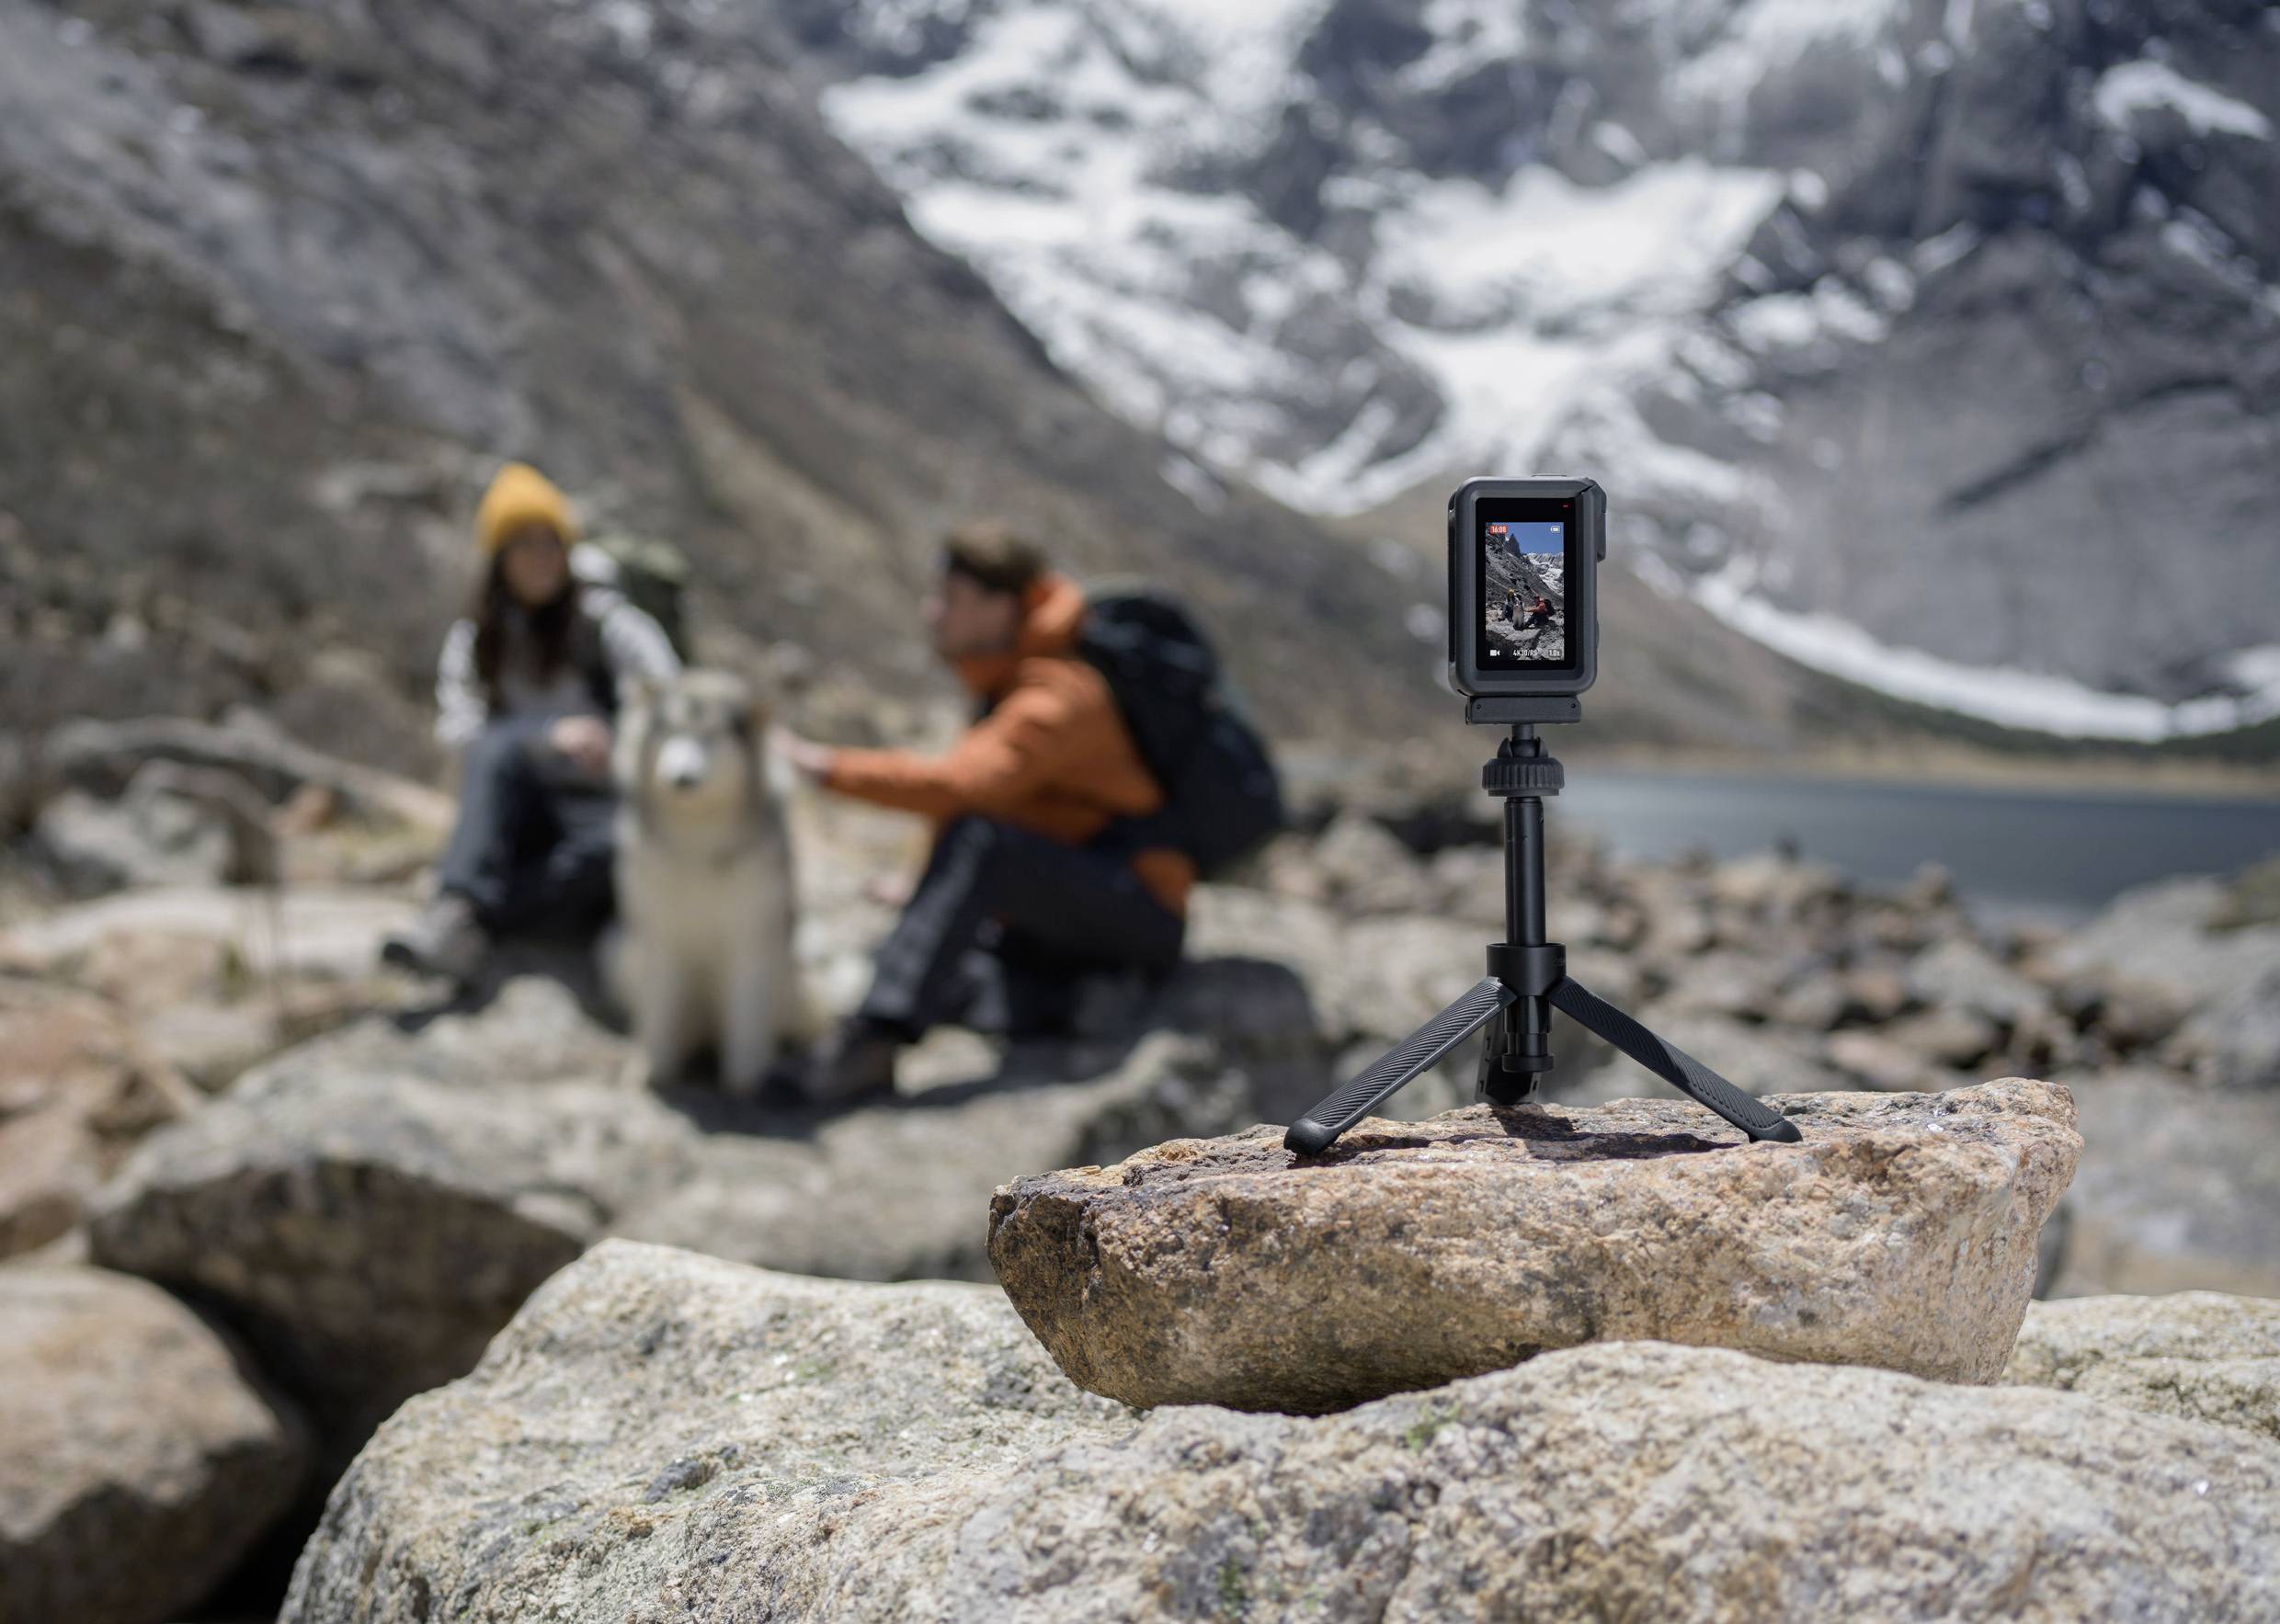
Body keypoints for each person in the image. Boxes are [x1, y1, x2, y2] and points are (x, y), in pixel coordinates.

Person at [774, 521, 1190, 1105]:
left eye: (951, 599)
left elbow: (966, 790)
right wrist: (928, 888)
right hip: (1084, 902)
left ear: (1000, 608)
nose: (931, 611)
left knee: (979, 846)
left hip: (1140, 911)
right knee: (927, 954)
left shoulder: (1056, 695)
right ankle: (1080, 999)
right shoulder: (1015, 678)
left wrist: (825, 767)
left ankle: (870, 1045)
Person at [381, 463, 681, 983]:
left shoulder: (611, 626)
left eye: (551, 543)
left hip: (605, 809)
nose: (541, 558)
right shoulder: (477, 640)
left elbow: (674, 704)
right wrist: (544, 738)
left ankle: (471, 918)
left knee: (614, 851)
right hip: (522, 813)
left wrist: (622, 743)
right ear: (499, 557)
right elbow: (459, 732)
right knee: (497, 747)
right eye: (525, 544)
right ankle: (459, 911)